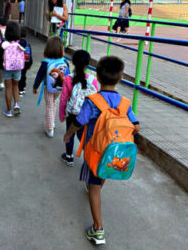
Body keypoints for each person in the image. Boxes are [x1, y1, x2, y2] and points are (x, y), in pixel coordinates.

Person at [62, 56, 140, 246]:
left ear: (97, 76)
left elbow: (79, 122)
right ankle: (93, 186)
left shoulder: (93, 101)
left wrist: (68, 135)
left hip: (96, 152)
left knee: (94, 187)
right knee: (101, 176)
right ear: (120, 77)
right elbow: (136, 126)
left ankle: (98, 229)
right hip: (116, 153)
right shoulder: (124, 102)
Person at [59, 49, 98, 167]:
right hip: (86, 114)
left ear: (73, 63)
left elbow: (64, 98)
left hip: (72, 113)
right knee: (83, 135)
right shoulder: (93, 80)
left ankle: (69, 157)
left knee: (69, 133)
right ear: (87, 64)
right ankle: (89, 156)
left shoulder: (68, 79)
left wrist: (61, 114)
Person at [32, 36, 69, 137]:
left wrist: (35, 87)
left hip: (48, 88)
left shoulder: (46, 62)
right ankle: (52, 122)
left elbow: (39, 76)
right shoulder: (65, 62)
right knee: (53, 103)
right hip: (59, 89)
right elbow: (68, 76)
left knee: (49, 105)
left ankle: (49, 128)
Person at [0, 22, 24, 118]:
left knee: (8, 88)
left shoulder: (4, 44)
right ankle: (16, 104)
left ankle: (9, 110)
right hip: (18, 68)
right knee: (16, 86)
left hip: (7, 68)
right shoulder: (20, 44)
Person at [18, 27, 33, 96]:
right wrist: (30, 64)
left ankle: (19, 88)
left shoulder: (18, 43)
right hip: (26, 62)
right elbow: (30, 54)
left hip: (19, 63)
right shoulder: (28, 44)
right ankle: (23, 88)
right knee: (23, 75)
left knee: (19, 75)